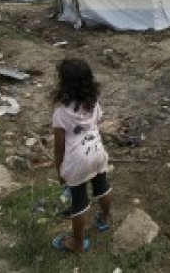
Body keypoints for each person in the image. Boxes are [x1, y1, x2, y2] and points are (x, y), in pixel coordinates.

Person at [51, 58, 113, 252]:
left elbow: (59, 147)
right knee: (102, 186)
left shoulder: (60, 112)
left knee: (79, 202)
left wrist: (60, 171)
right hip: (97, 151)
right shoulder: (93, 102)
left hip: (77, 160)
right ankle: (104, 218)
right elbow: (97, 121)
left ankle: (77, 243)